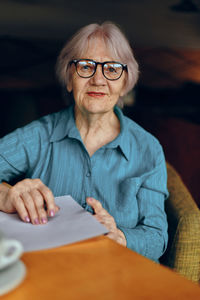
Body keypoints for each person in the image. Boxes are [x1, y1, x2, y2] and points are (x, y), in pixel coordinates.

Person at [0, 22, 168, 262]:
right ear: (69, 79)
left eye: (111, 69)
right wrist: (4, 195)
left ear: (124, 84)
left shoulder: (148, 149)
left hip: (117, 279)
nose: (98, 80)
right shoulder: (39, 135)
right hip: (47, 273)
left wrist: (121, 237)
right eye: (86, 66)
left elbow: (157, 237)